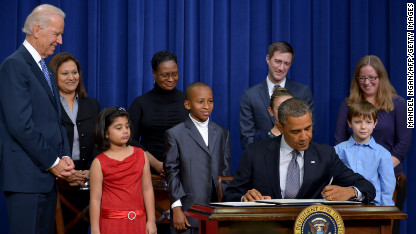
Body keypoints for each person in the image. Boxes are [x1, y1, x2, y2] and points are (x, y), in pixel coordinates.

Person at [0, 4, 75, 234]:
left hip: (46, 179)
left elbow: (56, 119)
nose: (60, 40)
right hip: (26, 180)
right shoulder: (14, 65)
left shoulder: (47, 70)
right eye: (56, 34)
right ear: (36, 30)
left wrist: (64, 155)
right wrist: (54, 162)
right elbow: (21, 126)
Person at [223, 98, 375, 203]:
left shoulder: (325, 155)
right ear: (281, 127)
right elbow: (230, 195)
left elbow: (367, 187)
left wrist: (351, 192)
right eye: (296, 131)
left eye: (308, 128)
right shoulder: (255, 153)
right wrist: (245, 198)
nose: (304, 137)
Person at [334, 55, 411, 233]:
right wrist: (354, 177)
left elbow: (404, 143)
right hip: (351, 184)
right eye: (362, 78)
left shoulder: (401, 105)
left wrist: (378, 167)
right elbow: (339, 140)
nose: (366, 82)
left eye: (371, 77)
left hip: (389, 180)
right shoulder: (347, 105)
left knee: (386, 228)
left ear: (380, 78)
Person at [164, 82, 231, 234]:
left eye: (210, 101)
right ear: (187, 104)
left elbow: (225, 173)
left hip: (216, 213)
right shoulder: (175, 134)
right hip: (188, 213)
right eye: (200, 102)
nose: (207, 106)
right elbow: (172, 173)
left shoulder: (222, 133)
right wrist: (176, 208)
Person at [49, 52, 101, 234]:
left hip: (88, 176)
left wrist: (91, 171)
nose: (71, 77)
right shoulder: (47, 105)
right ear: (53, 76)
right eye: (65, 73)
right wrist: (64, 172)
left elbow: (100, 142)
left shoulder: (92, 105)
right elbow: (44, 142)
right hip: (55, 178)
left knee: (81, 228)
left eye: (75, 72)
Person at [89, 107, 156, 234]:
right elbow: (95, 199)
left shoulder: (141, 155)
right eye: (119, 128)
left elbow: (147, 189)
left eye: (127, 126)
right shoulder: (99, 163)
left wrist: (151, 220)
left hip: (138, 222)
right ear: (106, 133)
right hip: (111, 224)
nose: (125, 131)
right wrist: (95, 230)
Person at [240, 41, 314, 149]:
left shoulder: (303, 92)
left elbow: (309, 131)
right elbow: (248, 139)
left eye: (286, 63)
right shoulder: (250, 95)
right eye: (278, 61)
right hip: (262, 159)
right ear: (268, 59)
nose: (281, 68)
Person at [128, 50, 188, 175]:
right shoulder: (140, 103)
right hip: (148, 170)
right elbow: (129, 139)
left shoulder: (187, 101)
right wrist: (155, 163)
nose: (171, 79)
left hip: (183, 171)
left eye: (175, 74)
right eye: (165, 75)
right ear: (154, 74)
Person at [334, 100, 395, 206]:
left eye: (368, 122)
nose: (363, 127)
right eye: (358, 122)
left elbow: (387, 186)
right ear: (349, 123)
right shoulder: (338, 150)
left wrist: (386, 211)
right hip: (344, 205)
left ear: (375, 123)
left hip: (372, 205)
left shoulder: (383, 154)